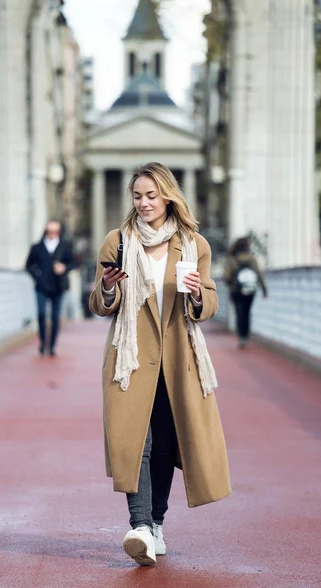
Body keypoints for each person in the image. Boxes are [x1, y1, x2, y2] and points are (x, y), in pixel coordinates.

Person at [89, 162, 231, 567]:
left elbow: (209, 304)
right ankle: (140, 527)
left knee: (167, 444)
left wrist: (197, 296)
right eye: (137, 196)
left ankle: (156, 522)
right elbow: (98, 305)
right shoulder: (117, 242)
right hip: (130, 356)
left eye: (151, 195)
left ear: (167, 195)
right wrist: (108, 286)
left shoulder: (193, 244)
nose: (144, 203)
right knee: (138, 441)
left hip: (178, 358)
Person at [26, 219, 74, 356]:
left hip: (58, 286)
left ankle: (52, 345)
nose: (52, 234)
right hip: (41, 286)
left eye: (55, 231)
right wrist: (37, 276)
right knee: (41, 314)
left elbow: (73, 263)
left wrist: (64, 268)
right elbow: (28, 265)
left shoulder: (65, 246)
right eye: (50, 231)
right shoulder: (37, 247)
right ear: (45, 231)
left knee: (55, 317)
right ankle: (42, 341)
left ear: (59, 232)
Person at [223, 236, 267, 349]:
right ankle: (246, 335)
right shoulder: (252, 259)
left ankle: (241, 336)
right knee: (247, 312)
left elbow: (226, 277)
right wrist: (264, 289)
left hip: (236, 290)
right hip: (250, 290)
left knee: (239, 312)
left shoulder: (232, 259)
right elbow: (259, 274)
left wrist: (231, 282)